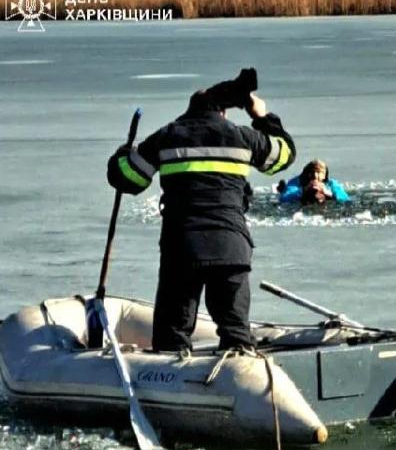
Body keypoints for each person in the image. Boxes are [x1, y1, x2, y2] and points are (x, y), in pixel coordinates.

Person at [106, 68, 296, 352]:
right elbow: (283, 156)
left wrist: (123, 153)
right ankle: (240, 378)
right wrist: (262, 118)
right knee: (236, 335)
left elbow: (128, 179)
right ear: (223, 113)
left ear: (189, 109)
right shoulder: (242, 137)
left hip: (183, 247)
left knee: (172, 334)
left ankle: (170, 385)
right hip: (231, 246)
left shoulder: (167, 136)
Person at [277, 159, 350, 205]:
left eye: (318, 172)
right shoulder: (296, 182)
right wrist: (305, 190)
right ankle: (282, 187)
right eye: (311, 172)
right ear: (306, 173)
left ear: (324, 175)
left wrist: (328, 193)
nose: (315, 175)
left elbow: (345, 198)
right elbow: (284, 198)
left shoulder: (331, 184)